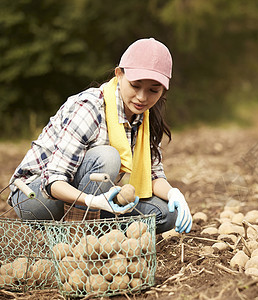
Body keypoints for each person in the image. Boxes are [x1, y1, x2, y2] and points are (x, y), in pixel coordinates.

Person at [8, 38, 192, 234]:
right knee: (107, 157)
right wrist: (92, 201)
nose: (142, 97)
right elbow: (53, 180)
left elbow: (154, 176)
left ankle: (93, 229)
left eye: (153, 90)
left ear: (163, 90)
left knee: (165, 214)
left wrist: (174, 193)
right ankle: (78, 235)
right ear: (119, 74)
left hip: (90, 199)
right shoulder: (90, 108)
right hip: (36, 197)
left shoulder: (146, 119)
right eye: (135, 86)